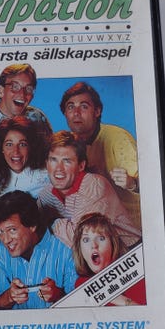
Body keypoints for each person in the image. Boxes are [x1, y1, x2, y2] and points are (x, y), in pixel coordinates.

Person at [38, 131, 141, 249]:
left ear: (81, 166)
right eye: (53, 160)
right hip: (95, 256)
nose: (59, 168)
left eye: (67, 161)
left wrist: (51, 221)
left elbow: (81, 240)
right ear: (46, 164)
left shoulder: (95, 186)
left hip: (130, 252)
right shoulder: (46, 193)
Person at [0, 191, 77, 310]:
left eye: (12, 230)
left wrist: (58, 295)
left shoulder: (65, 246)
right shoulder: (0, 252)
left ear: (32, 225)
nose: (6, 240)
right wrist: (9, 297)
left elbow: (83, 304)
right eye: (0, 232)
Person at [60, 81, 141, 229]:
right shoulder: (69, 145)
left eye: (84, 106)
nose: (76, 113)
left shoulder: (118, 138)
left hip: (131, 228)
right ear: (65, 113)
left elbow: (151, 183)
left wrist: (132, 183)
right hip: (96, 230)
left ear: (97, 111)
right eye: (70, 107)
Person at [72, 212, 146, 305]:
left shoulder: (134, 275)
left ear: (112, 244)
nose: (94, 245)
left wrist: (114, 296)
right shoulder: (81, 284)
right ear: (80, 248)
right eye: (86, 240)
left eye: (101, 238)